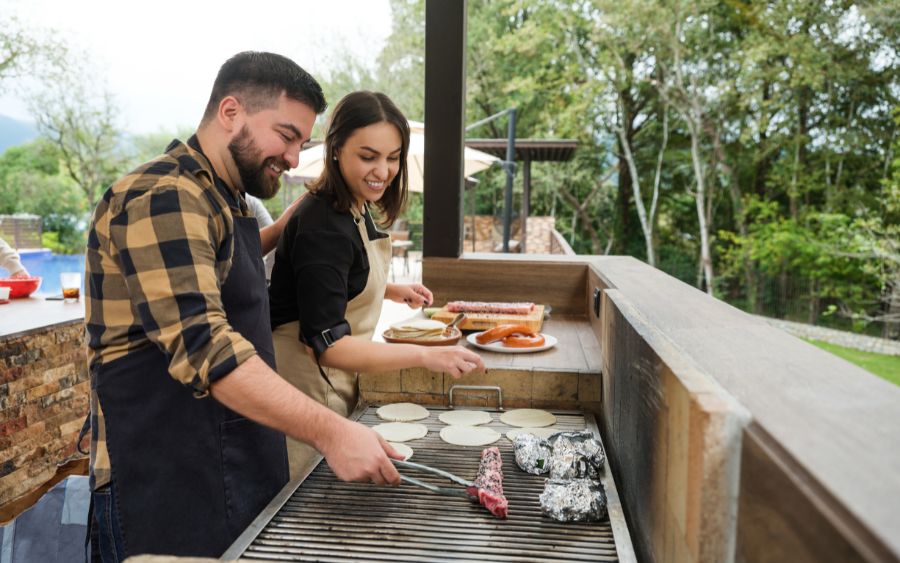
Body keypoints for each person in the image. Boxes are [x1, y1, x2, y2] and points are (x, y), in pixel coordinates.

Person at [83, 53, 402, 561]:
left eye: (302, 142)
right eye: (287, 135)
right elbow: (205, 346)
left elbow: (228, 266)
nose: (295, 158)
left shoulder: (224, 195)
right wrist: (331, 430)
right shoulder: (162, 195)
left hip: (228, 460)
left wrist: (283, 226)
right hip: (162, 479)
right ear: (230, 111)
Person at [268, 91, 485, 475]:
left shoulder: (355, 204)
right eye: (368, 157)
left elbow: (334, 279)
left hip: (331, 385)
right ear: (335, 149)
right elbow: (329, 347)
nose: (383, 171)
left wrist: (388, 289)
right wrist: (426, 355)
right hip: (305, 389)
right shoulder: (323, 224)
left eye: (393, 157)